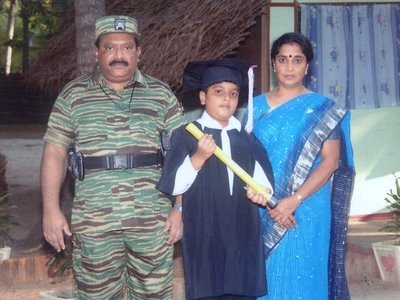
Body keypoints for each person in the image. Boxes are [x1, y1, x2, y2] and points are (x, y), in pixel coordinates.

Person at [40, 15, 186, 299]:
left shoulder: (161, 95)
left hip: (152, 220)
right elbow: (54, 152)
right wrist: (50, 210)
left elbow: (181, 154)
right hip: (94, 221)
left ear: (138, 53)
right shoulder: (73, 96)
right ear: (96, 53)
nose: (119, 55)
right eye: (110, 47)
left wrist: (180, 209)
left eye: (127, 47)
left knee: (154, 295)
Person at [244, 32, 355, 299]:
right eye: (283, 59)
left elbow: (331, 161)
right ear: (273, 64)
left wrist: (294, 199)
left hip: (308, 208)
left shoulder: (322, 109)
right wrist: (268, 201)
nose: (289, 67)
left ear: (307, 66)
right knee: (268, 280)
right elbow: (245, 161)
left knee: (306, 277)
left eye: (297, 60)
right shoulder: (254, 107)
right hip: (263, 208)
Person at [157, 58, 275, 300]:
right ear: (203, 97)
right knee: (208, 290)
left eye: (233, 93)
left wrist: (261, 192)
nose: (226, 98)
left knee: (241, 290)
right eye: (218, 91)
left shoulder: (247, 138)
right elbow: (174, 184)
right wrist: (198, 157)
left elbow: (263, 181)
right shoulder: (187, 134)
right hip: (204, 230)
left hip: (242, 229)